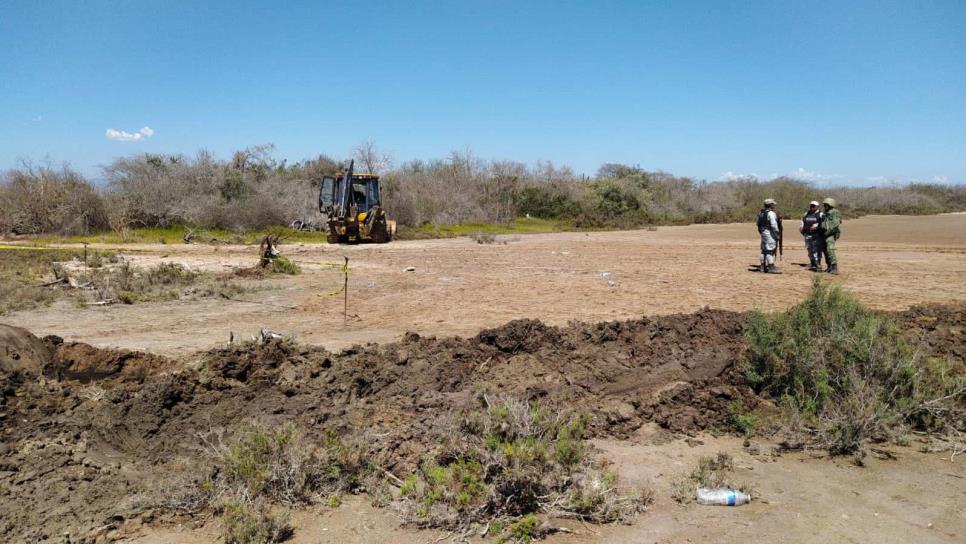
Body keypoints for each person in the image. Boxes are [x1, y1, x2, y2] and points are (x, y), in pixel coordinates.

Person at [756, 198, 782, 273]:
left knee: (763, 250)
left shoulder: (760, 213)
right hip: (770, 233)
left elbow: (757, 224)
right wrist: (777, 234)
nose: (774, 205)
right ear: (770, 205)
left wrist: (761, 232)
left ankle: (762, 267)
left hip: (763, 233)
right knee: (770, 250)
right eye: (773, 204)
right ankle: (771, 267)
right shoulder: (771, 213)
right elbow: (774, 225)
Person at [799, 201, 824, 271]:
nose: (812, 207)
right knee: (809, 249)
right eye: (811, 205)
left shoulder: (821, 214)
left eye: (813, 206)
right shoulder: (806, 213)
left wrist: (816, 226)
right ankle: (812, 262)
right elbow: (802, 220)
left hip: (816, 235)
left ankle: (818, 263)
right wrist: (801, 226)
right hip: (807, 234)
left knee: (816, 249)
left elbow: (822, 222)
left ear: (817, 207)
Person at [820, 197, 842, 274]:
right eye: (824, 205)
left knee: (830, 249)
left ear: (830, 205)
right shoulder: (825, 213)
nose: (824, 206)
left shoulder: (835, 212)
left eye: (826, 205)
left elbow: (835, 223)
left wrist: (828, 232)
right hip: (825, 233)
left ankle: (834, 267)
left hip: (831, 233)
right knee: (824, 249)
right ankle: (829, 266)